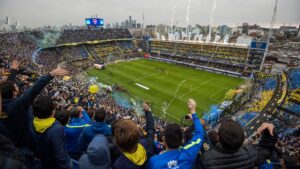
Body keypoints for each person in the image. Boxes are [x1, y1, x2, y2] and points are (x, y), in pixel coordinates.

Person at [0, 67, 68, 148]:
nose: (18, 87)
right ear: (14, 92)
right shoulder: (16, 105)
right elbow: (32, 91)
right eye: (17, 87)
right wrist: (50, 75)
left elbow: (9, 87)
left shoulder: (4, 104)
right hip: (17, 146)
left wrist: (18, 77)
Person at [146, 99, 204, 169]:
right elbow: (199, 134)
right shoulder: (188, 152)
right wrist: (193, 111)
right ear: (182, 140)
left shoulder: (154, 161)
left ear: (164, 140)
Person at [203, 119, 278, 169]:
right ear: (242, 140)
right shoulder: (251, 155)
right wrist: (270, 133)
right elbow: (266, 150)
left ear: (218, 138)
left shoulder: (207, 159)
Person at [112, 101, 155, 169]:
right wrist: (148, 111)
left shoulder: (118, 164)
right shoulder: (147, 144)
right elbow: (151, 129)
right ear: (137, 137)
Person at [32, 95, 70, 169]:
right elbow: (60, 155)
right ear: (53, 111)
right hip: (50, 164)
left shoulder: (32, 121)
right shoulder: (57, 129)